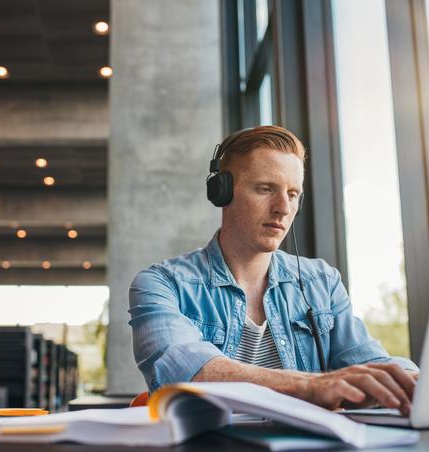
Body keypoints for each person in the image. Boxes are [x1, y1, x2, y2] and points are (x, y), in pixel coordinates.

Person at [128, 125, 419, 415]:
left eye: (293, 194)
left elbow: (369, 363)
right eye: (265, 189)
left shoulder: (322, 282)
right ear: (223, 192)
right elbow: (185, 372)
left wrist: (411, 381)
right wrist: (312, 386)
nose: (282, 208)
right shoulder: (161, 284)